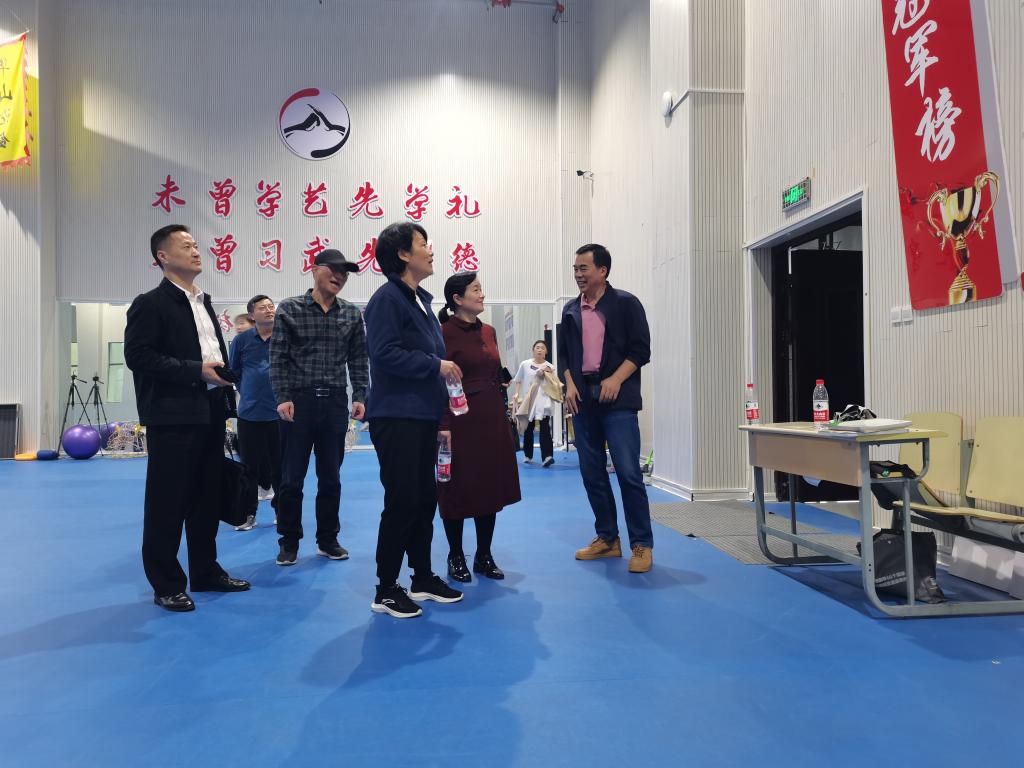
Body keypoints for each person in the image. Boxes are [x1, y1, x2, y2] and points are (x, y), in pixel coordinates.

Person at [124, 224, 251, 612]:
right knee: (167, 502)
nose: (196, 251)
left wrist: (224, 381)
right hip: (173, 416)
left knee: (206, 497)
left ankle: (206, 571)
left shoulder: (203, 302)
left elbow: (210, 353)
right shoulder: (150, 303)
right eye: (186, 246)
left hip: (210, 411)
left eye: (196, 245)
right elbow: (138, 356)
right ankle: (166, 583)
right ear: (162, 256)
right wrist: (196, 371)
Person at [365, 222, 465, 618]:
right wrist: (436, 364)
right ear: (403, 254)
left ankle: (421, 576)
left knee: (424, 499)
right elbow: (384, 353)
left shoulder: (419, 300)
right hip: (396, 415)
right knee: (402, 500)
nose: (430, 250)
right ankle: (386, 587)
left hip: (422, 414)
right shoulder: (387, 299)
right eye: (423, 243)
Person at [558, 243, 654, 573]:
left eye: (583, 268)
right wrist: (569, 383)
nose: (578, 274)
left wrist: (616, 379)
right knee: (592, 473)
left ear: (603, 270)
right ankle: (608, 539)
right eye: (575, 269)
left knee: (628, 473)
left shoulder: (626, 304)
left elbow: (641, 350)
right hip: (582, 400)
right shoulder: (570, 309)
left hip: (618, 400)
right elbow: (564, 354)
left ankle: (641, 544)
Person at [269, 249, 368, 566]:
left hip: (335, 401)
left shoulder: (351, 314)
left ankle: (328, 539)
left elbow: (358, 358)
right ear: (314, 270)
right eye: (333, 269)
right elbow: (278, 358)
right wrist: (282, 396)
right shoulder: (290, 309)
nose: (340, 276)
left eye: (345, 273)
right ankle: (289, 541)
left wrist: (360, 395)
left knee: (331, 478)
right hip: (298, 402)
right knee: (291, 478)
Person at [437, 272, 522, 582]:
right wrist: (442, 423)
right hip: (457, 421)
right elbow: (437, 382)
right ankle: (455, 554)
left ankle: (484, 554)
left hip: (490, 417)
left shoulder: (489, 331)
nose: (482, 294)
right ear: (457, 298)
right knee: (455, 487)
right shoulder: (442, 333)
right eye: (476, 290)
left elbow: (492, 370)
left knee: (489, 484)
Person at [228, 294, 280, 532]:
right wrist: (248, 392)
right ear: (252, 315)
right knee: (248, 468)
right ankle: (248, 514)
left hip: (280, 413)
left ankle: (283, 512)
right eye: (262, 308)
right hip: (249, 414)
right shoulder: (241, 340)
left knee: (281, 467)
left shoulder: (284, 336)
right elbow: (234, 371)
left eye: (271, 306)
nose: (269, 310)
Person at [512, 340, 558, 467]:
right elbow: (518, 379)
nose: (540, 350)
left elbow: (554, 384)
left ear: (546, 351)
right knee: (528, 428)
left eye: (542, 348)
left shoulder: (550, 367)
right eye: (537, 347)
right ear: (533, 350)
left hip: (544, 401)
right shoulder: (525, 364)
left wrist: (547, 374)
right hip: (529, 400)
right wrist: (516, 393)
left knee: (545, 427)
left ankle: (547, 456)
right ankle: (528, 454)